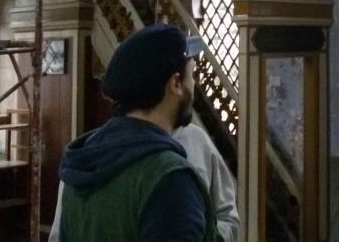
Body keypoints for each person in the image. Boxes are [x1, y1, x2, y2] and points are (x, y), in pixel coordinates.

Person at [55, 23, 215, 241]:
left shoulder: (81, 163)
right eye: (192, 75)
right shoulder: (169, 178)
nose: (193, 84)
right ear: (176, 83)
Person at [49, 122, 240, 242]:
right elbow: (59, 234)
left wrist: (200, 232)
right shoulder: (89, 155)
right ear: (175, 85)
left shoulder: (196, 142)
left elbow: (228, 217)